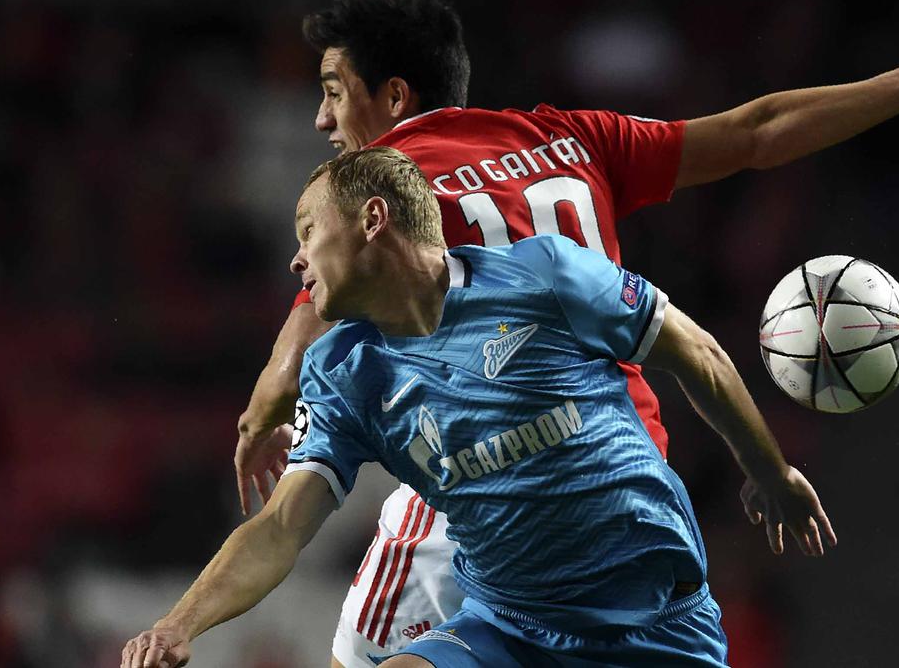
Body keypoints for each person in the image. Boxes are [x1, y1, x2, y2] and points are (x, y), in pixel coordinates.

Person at [232, 0, 899, 668]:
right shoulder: (569, 139)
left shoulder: (383, 205)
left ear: (396, 97)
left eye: (334, 91)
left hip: (489, 490)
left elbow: (311, 326)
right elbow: (758, 132)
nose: (322, 121)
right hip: (629, 481)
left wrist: (260, 415)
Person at [121, 147, 835, 668]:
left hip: (653, 629)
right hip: (509, 632)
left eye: (308, 231)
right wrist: (180, 624)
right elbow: (280, 527)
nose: (296, 261)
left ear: (373, 218)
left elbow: (696, 354)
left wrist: (768, 474)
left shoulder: (545, 276)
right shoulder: (345, 374)